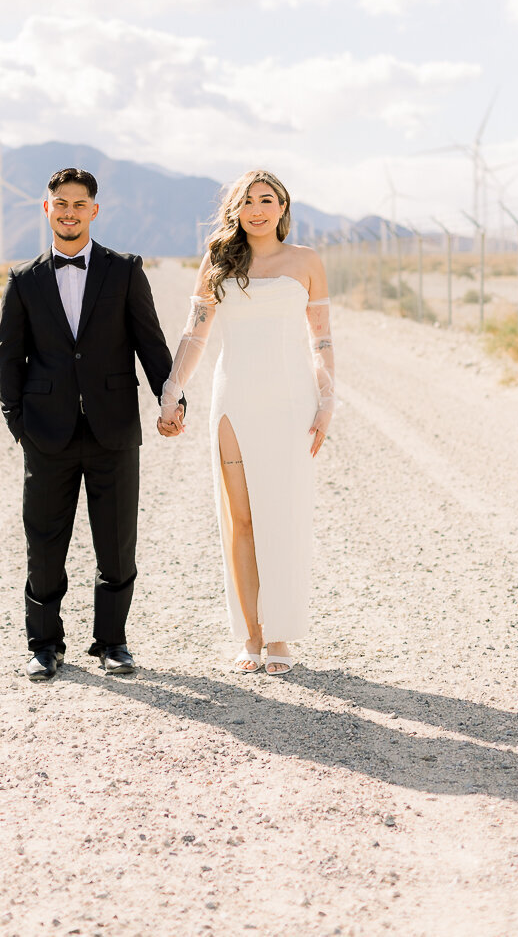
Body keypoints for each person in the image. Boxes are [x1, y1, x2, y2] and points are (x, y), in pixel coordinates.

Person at [0, 168, 182, 682]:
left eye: (80, 204)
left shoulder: (124, 270)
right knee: (45, 544)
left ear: (94, 211)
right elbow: (9, 358)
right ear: (47, 208)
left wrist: (173, 399)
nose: (70, 212)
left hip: (114, 430)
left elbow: (152, 344)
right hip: (47, 434)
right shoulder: (24, 279)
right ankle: (44, 645)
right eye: (61, 204)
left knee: (117, 543)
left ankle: (112, 642)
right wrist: (19, 423)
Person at [158, 170, 335, 676]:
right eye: (247, 202)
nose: (257, 209)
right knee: (241, 519)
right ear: (234, 210)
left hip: (291, 402)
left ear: (283, 206)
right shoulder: (218, 261)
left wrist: (327, 401)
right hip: (233, 398)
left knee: (283, 516)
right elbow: (194, 336)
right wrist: (173, 391)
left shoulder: (305, 262)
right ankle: (251, 636)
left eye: (267, 200)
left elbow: (321, 340)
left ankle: (280, 635)